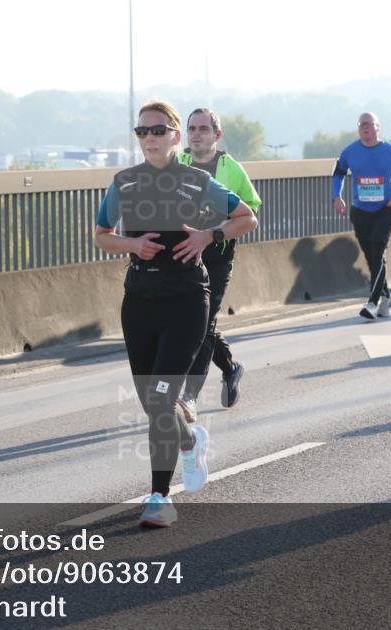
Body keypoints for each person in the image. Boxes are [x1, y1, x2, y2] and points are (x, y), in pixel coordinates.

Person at [94, 101, 258, 527]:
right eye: (142, 132)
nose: (149, 138)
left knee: (163, 398)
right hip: (140, 300)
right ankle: (190, 443)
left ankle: (159, 497)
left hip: (187, 299)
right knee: (154, 405)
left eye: (158, 130)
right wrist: (131, 246)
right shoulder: (124, 183)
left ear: (175, 137)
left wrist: (209, 235)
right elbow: (101, 235)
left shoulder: (196, 180)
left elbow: (247, 217)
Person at [176, 108, 262, 423]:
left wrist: (212, 234)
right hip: (183, 253)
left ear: (217, 135)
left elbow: (250, 215)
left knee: (204, 321)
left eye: (203, 129)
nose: (196, 134)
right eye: (191, 129)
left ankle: (189, 397)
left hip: (218, 255)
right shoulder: (177, 166)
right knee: (195, 323)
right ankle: (230, 367)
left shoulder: (232, 169)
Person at [332, 112, 391, 320]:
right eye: (361, 124)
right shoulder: (350, 151)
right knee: (371, 256)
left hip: (385, 209)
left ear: (378, 127)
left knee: (378, 250)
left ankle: (372, 302)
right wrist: (337, 197)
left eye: (369, 124)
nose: (365, 128)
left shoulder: (390, 151)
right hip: (360, 210)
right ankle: (386, 295)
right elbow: (338, 174)